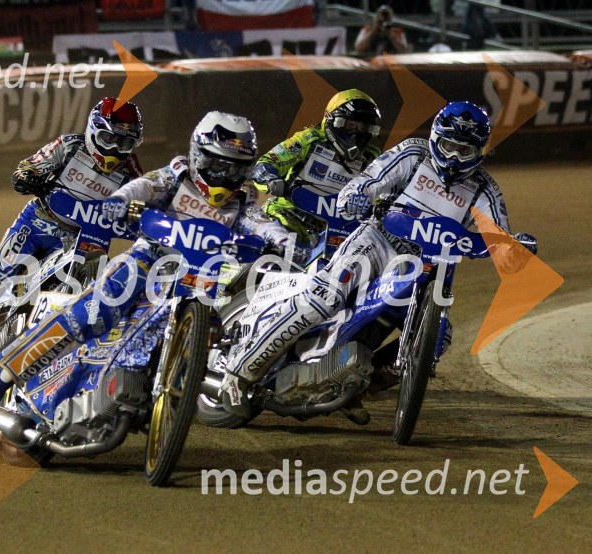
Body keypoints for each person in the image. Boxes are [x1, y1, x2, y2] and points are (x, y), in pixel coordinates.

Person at [219, 101, 538, 417]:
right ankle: (239, 373)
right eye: (449, 145)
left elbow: (502, 244)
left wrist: (515, 249)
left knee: (440, 337)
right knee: (326, 295)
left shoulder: (485, 188)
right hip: (377, 241)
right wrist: (355, 197)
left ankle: (352, 386)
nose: (453, 157)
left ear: (479, 151)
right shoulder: (413, 153)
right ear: (435, 137)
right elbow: (368, 181)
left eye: (464, 151)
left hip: (432, 265)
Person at [0, 111, 298, 403]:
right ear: (199, 155)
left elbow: (259, 221)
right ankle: (5, 371)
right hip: (149, 261)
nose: (224, 176)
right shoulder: (176, 176)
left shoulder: (242, 201)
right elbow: (144, 186)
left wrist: (283, 239)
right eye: (218, 165)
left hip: (199, 282)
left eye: (235, 169)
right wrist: (120, 200)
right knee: (93, 311)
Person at [0, 96, 144, 379]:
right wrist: (28, 176)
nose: (114, 150)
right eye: (109, 139)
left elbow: (143, 206)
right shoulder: (69, 145)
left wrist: (146, 222)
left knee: (95, 301)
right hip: (38, 223)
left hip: (85, 242)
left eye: (123, 143)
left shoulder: (132, 172)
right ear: (94, 130)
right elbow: (29, 166)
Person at [253, 89, 382, 255]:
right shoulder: (310, 139)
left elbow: (386, 190)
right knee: (278, 247)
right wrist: (271, 180)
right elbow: (267, 163)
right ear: (332, 120)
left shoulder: (372, 157)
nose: (356, 133)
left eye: (364, 128)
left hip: (336, 228)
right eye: (351, 125)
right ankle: (244, 273)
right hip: (290, 214)